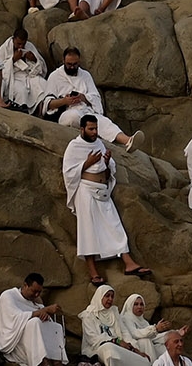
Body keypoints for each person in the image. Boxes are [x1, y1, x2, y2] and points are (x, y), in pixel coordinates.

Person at [64, 116, 146, 282]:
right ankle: (93, 272)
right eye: (91, 129)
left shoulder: (99, 143)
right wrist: (87, 163)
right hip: (85, 191)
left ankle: (129, 263)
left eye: (96, 129)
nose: (94, 132)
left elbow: (108, 173)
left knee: (114, 225)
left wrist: (107, 163)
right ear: (82, 129)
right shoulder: (74, 146)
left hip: (103, 192)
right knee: (88, 231)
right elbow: (68, 172)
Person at [0, 272, 70, 366]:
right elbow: (15, 318)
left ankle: (56, 359)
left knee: (55, 326)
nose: (36, 295)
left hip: (29, 336)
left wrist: (44, 314)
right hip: (14, 340)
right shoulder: (8, 296)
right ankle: (41, 361)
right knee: (34, 322)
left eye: (39, 292)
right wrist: (44, 310)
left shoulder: (34, 302)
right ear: (25, 285)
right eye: (34, 291)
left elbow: (38, 312)